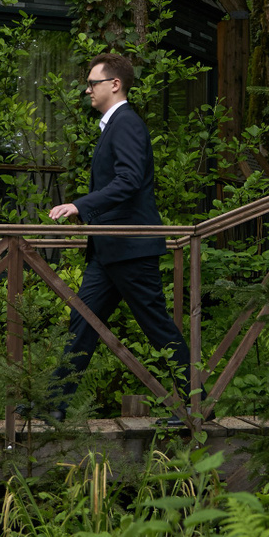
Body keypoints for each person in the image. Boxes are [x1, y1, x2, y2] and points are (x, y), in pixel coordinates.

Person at [47, 52, 190, 396]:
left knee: (157, 327)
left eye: (92, 83)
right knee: (82, 323)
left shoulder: (126, 123)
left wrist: (80, 205)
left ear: (115, 84)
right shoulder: (114, 125)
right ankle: (53, 405)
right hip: (108, 250)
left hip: (130, 248)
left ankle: (196, 404)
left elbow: (128, 180)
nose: (87, 90)